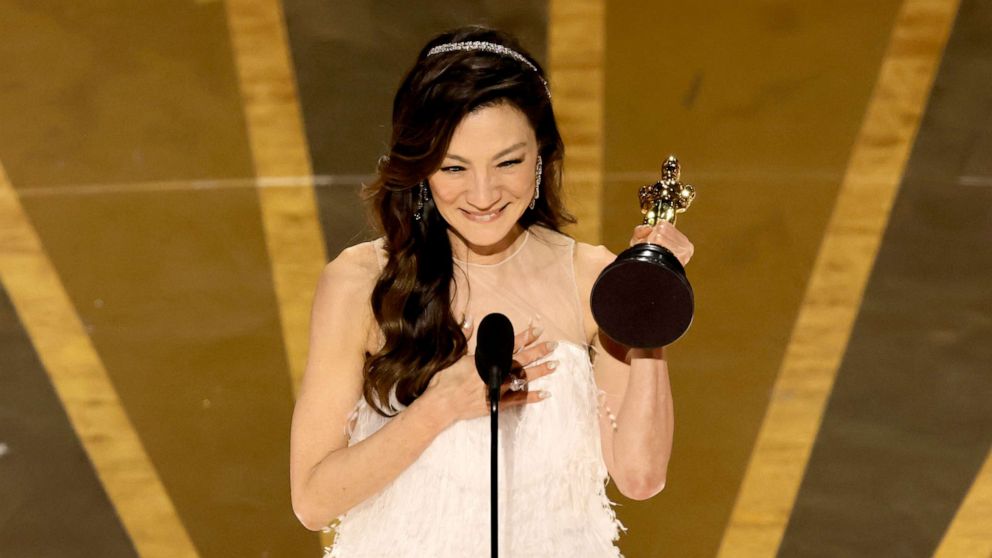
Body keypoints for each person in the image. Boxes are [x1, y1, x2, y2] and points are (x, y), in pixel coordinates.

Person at [290, 26, 693, 557]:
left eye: (508, 162)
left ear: (542, 155)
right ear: (421, 169)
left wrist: (647, 295)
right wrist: (439, 408)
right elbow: (313, 500)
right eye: (455, 168)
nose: (483, 195)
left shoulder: (589, 276)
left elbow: (640, 477)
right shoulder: (363, 284)